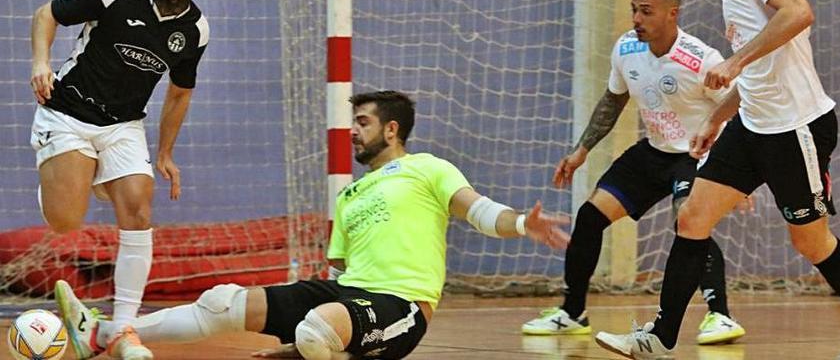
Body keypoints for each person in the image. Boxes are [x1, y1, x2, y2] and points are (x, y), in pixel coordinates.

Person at [55, 90, 571, 360]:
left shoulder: (427, 168)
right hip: (348, 292)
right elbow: (339, 271)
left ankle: (316, 347)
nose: (352, 131)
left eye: (362, 122)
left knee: (316, 329)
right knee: (223, 302)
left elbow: (477, 210)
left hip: (402, 306)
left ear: (392, 129)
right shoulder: (348, 194)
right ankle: (102, 334)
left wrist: (523, 223)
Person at [595, 0, 840, 360]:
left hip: (795, 127)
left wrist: (734, 62)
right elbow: (761, 69)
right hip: (752, 123)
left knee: (811, 243)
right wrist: (718, 117)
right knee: (692, 217)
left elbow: (799, 12)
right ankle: (659, 339)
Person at [521, 0, 744, 346]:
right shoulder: (626, 49)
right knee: (590, 217)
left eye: (646, 11)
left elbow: (737, 107)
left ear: (672, 14)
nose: (637, 19)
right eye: (633, 10)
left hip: (696, 155)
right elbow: (613, 99)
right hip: (653, 151)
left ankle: (719, 314)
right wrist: (582, 150)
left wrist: (735, 170)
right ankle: (573, 312)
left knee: (689, 221)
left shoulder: (701, 59)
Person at [31, 0, 209, 360]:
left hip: (124, 126)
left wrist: (165, 152)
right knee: (66, 222)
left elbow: (180, 92)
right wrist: (41, 63)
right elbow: (46, 14)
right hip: (69, 112)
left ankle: (120, 329)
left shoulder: (196, 28)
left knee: (140, 206)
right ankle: (63, 181)